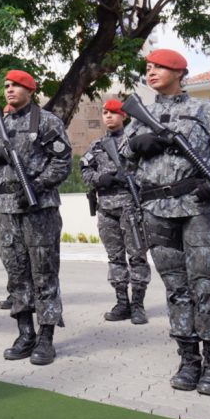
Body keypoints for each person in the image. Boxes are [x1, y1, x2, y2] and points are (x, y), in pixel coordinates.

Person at [120, 49, 210, 396]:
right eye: (148, 66)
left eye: (159, 66)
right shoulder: (141, 115)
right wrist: (140, 145)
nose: (151, 71)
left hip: (200, 208)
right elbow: (125, 158)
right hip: (157, 208)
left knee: (207, 285)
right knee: (177, 288)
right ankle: (188, 358)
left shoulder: (204, 110)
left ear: (179, 72)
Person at [0, 70, 72, 366]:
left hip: (39, 208)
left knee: (44, 274)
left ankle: (46, 337)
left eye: (16, 85)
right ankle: (25, 333)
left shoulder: (46, 121)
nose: (9, 89)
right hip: (8, 210)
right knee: (16, 274)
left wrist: (37, 185)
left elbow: (62, 163)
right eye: (6, 85)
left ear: (30, 90)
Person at [79, 99, 151, 324]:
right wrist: (102, 178)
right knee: (115, 258)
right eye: (105, 113)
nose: (108, 116)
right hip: (106, 208)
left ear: (124, 116)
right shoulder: (97, 145)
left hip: (131, 206)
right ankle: (122, 302)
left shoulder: (134, 142)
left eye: (113, 112)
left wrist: (133, 179)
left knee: (137, 256)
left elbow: (149, 169)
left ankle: (138, 304)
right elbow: (84, 170)